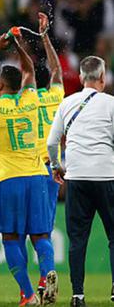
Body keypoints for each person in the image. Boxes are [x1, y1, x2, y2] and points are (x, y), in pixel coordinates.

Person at [0, 34, 57, 306]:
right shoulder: (30, 99)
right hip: (38, 175)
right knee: (41, 235)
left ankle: (28, 294)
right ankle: (47, 274)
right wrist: (18, 46)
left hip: (9, 180)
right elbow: (29, 69)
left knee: (10, 239)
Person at [47, 56, 114, 307]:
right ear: (102, 78)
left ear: (82, 77)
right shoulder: (111, 104)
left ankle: (77, 295)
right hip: (107, 177)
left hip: (75, 179)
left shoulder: (67, 103)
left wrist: (56, 166)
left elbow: (52, 142)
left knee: (77, 240)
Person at [22, 12, 64, 300]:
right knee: (44, 230)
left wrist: (18, 46)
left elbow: (28, 73)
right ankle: (45, 274)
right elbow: (57, 70)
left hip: (28, 169)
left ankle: (35, 284)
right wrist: (45, 36)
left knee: (21, 233)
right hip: (52, 172)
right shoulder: (55, 98)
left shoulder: (24, 102)